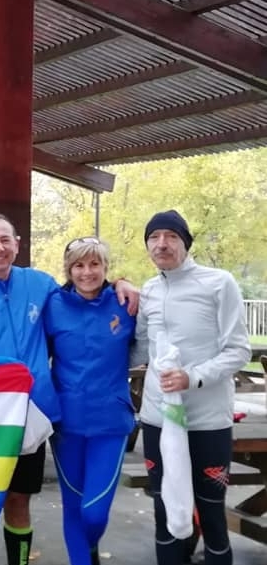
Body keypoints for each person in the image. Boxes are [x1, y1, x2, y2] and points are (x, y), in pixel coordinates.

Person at [0, 215, 138, 565]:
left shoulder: (41, 286)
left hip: (33, 415)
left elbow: (85, 290)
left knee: (19, 500)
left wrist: (122, 283)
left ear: (16, 244)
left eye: (5, 240)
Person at [134, 210, 250, 565]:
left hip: (207, 421)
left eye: (171, 236)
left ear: (185, 242)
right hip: (158, 419)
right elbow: (138, 348)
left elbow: (239, 350)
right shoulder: (149, 290)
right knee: (165, 511)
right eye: (154, 237)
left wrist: (192, 376)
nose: (162, 244)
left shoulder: (218, 283)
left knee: (211, 514)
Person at [43, 237, 137, 565]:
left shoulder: (126, 302)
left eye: (94, 264)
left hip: (110, 422)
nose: (87, 272)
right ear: (69, 270)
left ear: (106, 268)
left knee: (94, 513)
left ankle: (90, 546)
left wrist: (126, 282)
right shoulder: (52, 304)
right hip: (66, 422)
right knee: (74, 506)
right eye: (79, 265)